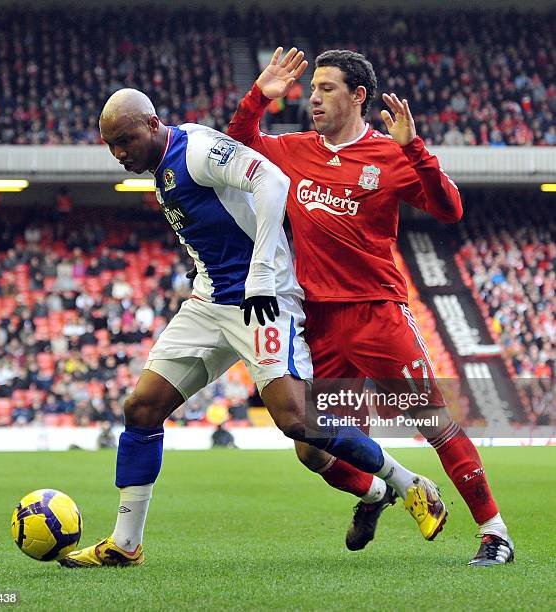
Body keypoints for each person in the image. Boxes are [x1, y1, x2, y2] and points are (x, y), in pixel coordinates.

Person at [60, 88, 446, 568]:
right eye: (111, 146)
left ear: (154, 123)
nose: (119, 154)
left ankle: (410, 484)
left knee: (297, 423)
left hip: (263, 302)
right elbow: (217, 223)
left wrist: (262, 269)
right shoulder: (161, 169)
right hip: (209, 302)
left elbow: (271, 180)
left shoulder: (198, 150)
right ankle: (125, 543)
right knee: (141, 408)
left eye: (125, 140)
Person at [227, 47, 513, 566]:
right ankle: (378, 492)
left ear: (358, 96)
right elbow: (236, 148)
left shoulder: (391, 155)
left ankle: (495, 534)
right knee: (311, 447)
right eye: (312, 88)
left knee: (433, 422)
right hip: (317, 320)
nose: (313, 97)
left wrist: (416, 149)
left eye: (327, 88)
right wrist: (257, 98)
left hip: (377, 312)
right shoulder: (293, 150)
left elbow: (450, 209)